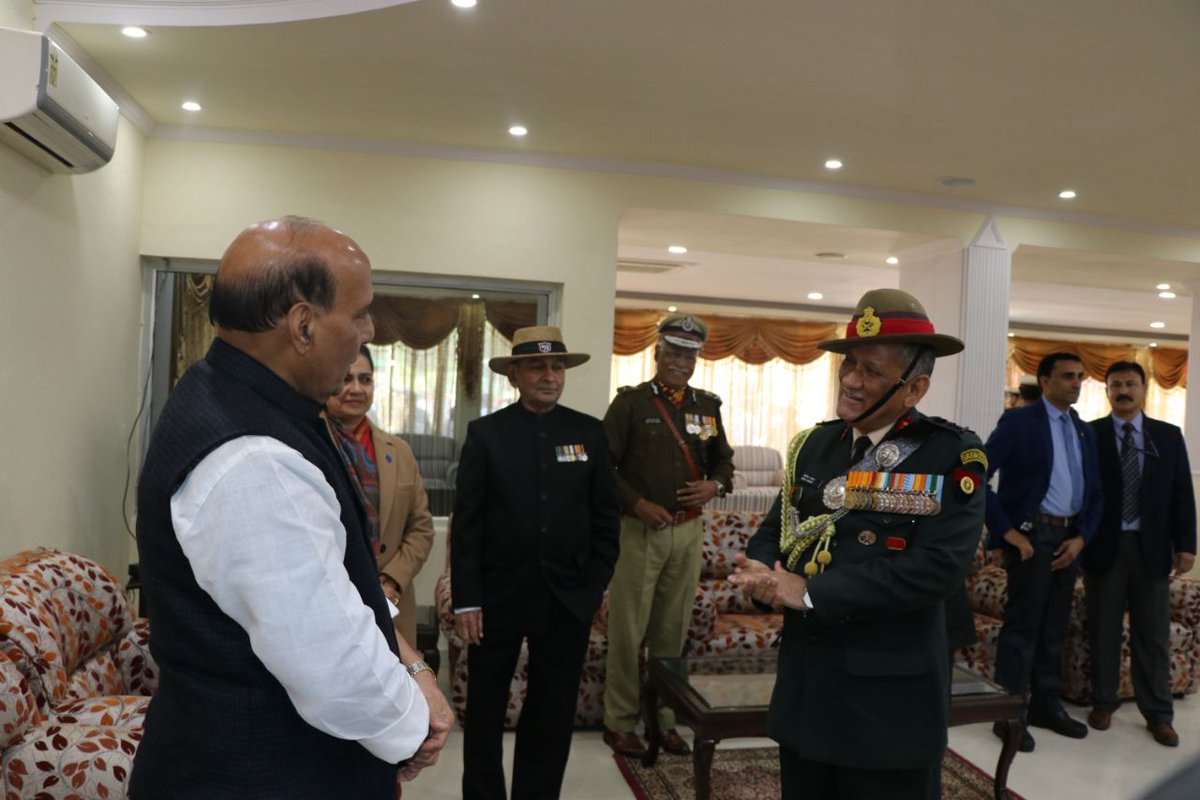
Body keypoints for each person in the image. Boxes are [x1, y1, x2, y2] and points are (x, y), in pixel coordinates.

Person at [131, 216, 451, 799]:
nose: (369, 331)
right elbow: (333, 672)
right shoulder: (254, 459)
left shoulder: (228, 392)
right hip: (258, 776)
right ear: (302, 324)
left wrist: (412, 664)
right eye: (358, 314)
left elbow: (330, 577)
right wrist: (413, 726)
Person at [730, 288, 983, 800]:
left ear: (914, 389)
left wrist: (807, 591)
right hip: (807, 689)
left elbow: (937, 568)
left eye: (870, 371)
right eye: (847, 365)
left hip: (887, 704)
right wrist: (760, 573)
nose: (849, 380)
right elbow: (775, 530)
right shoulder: (814, 444)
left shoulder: (950, 455)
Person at [451, 325, 620, 800]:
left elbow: (607, 522)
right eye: (537, 366)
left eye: (557, 366)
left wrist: (592, 588)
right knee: (484, 711)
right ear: (515, 376)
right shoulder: (486, 435)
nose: (549, 375)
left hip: (566, 600)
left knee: (551, 712)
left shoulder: (588, 433)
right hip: (497, 598)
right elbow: (467, 527)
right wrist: (467, 601)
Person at [601, 313, 735, 758]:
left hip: (688, 531)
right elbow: (603, 467)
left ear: (698, 359)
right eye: (674, 351)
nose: (681, 361)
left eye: (689, 354)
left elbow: (724, 462)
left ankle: (665, 721)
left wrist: (715, 485)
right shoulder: (631, 404)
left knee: (671, 634)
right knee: (627, 631)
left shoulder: (706, 405)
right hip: (639, 531)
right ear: (657, 352)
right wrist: (636, 503)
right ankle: (619, 723)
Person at [984, 351, 1103, 752]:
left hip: (1068, 540)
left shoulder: (1083, 430)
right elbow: (974, 477)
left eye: (1081, 377)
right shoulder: (1019, 421)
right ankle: (1009, 714)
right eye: (1068, 376)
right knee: (1023, 629)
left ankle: (1046, 706)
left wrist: (1082, 537)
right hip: (1032, 540)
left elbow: (1096, 494)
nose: (1076, 383)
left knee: (1054, 628)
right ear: (1045, 380)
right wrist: (1007, 532)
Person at [1084, 360, 1195, 746]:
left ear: (1145, 389)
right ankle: (1103, 702)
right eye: (1116, 385)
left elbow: (1182, 493)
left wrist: (1187, 546)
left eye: (1131, 383)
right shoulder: (1090, 434)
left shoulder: (1167, 435)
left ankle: (1159, 713)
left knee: (1153, 635)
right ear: (1107, 391)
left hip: (1152, 549)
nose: (1123, 390)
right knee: (1103, 628)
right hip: (1104, 548)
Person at [326, 345, 435, 646]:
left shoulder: (398, 451)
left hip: (392, 603)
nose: (356, 389)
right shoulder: (306, 443)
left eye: (366, 379)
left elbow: (421, 528)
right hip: (330, 602)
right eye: (346, 379)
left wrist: (390, 580)